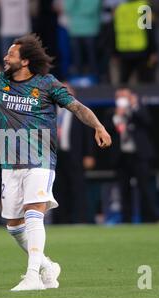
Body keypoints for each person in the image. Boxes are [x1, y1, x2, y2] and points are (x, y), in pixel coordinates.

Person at [0, 34, 112, 291]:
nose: (5, 58)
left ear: (25, 61)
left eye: (10, 55)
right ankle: (47, 265)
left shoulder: (47, 84)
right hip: (10, 165)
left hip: (40, 158)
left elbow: (78, 107)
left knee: (34, 214)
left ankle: (33, 276)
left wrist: (99, 126)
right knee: (13, 225)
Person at [104, 88, 158, 223]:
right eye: (119, 96)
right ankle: (126, 219)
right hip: (121, 157)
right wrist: (117, 116)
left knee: (144, 187)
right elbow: (107, 130)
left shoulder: (139, 110)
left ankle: (150, 219)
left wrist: (133, 106)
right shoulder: (111, 113)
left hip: (139, 156)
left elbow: (147, 122)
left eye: (125, 96)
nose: (122, 99)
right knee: (124, 190)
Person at [53, 83, 96, 224]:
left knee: (78, 187)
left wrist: (89, 155)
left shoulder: (80, 111)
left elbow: (88, 135)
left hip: (75, 155)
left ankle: (80, 219)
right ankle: (60, 220)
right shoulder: (50, 111)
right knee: (58, 188)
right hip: (56, 156)